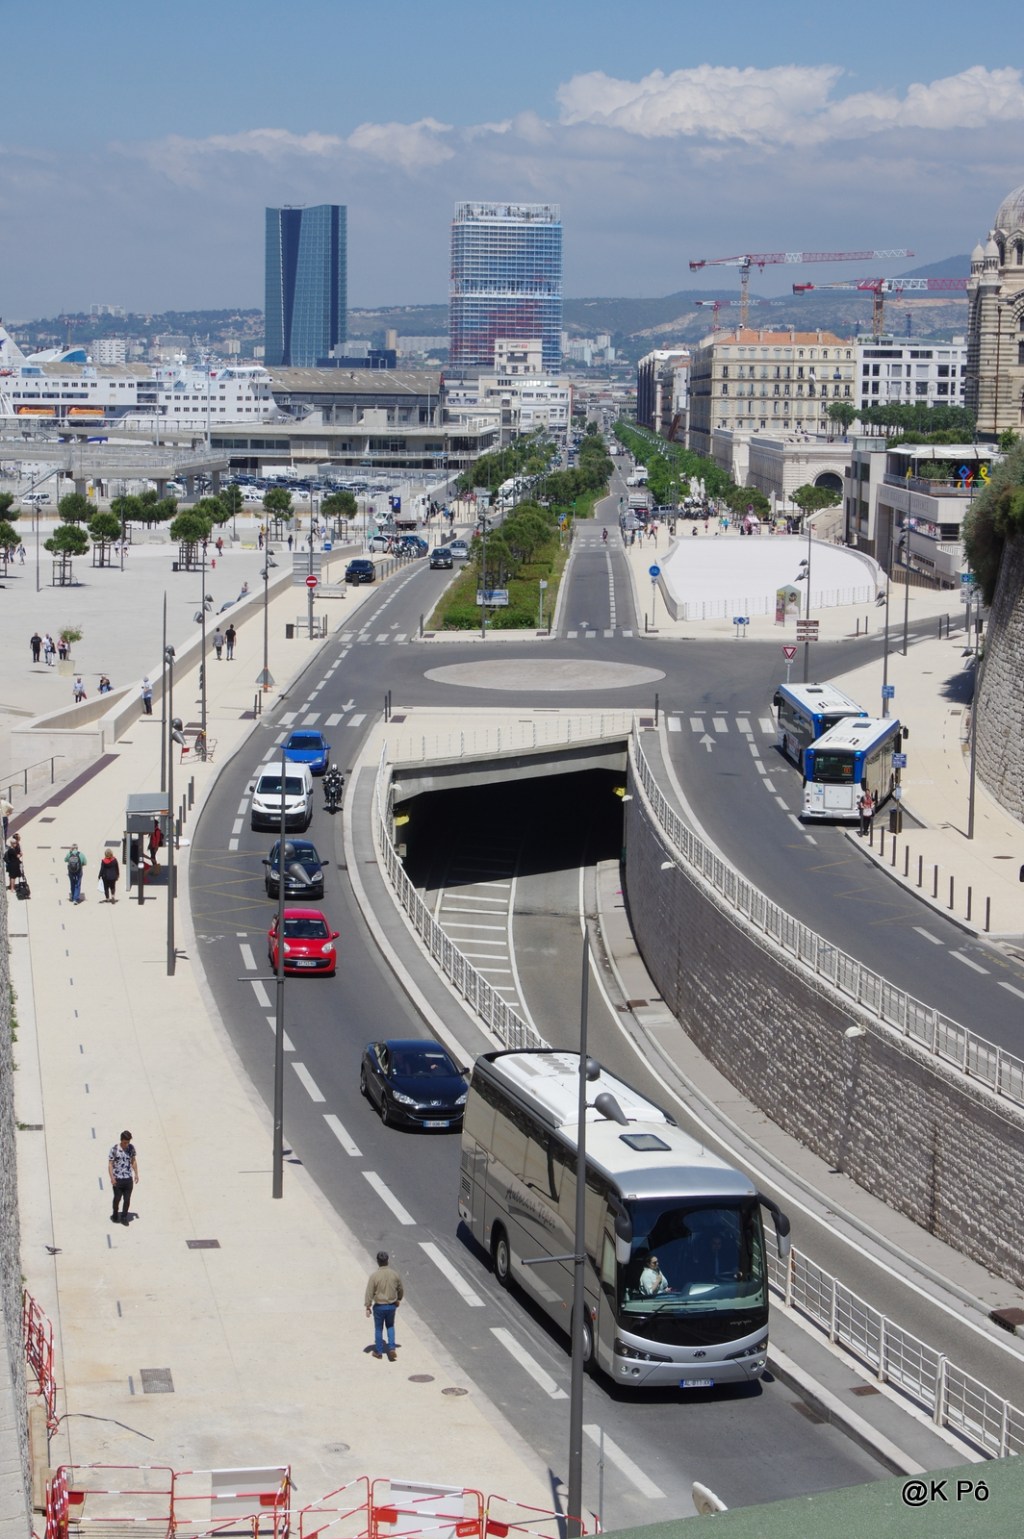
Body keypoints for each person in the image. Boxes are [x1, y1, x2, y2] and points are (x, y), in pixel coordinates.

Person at [364, 1249, 404, 1360]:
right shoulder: (394, 1274)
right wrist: (398, 1299)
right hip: (391, 1305)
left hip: (379, 1306)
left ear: (378, 1261)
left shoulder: (374, 1276)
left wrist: (368, 1306)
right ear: (387, 1261)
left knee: (378, 1329)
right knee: (390, 1326)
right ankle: (391, 1348)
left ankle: (379, 1351)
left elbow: (369, 1292)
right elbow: (400, 1289)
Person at [108, 1130, 139, 1225]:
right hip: (118, 1179)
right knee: (117, 1198)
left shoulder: (131, 1148)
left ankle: (124, 1216)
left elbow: (133, 1161)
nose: (127, 1144)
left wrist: (136, 1174)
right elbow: (110, 1165)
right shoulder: (114, 1149)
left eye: (128, 1142)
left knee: (127, 1199)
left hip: (128, 1179)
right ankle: (115, 1214)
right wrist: (112, 1177)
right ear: (121, 1140)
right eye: (125, 1142)